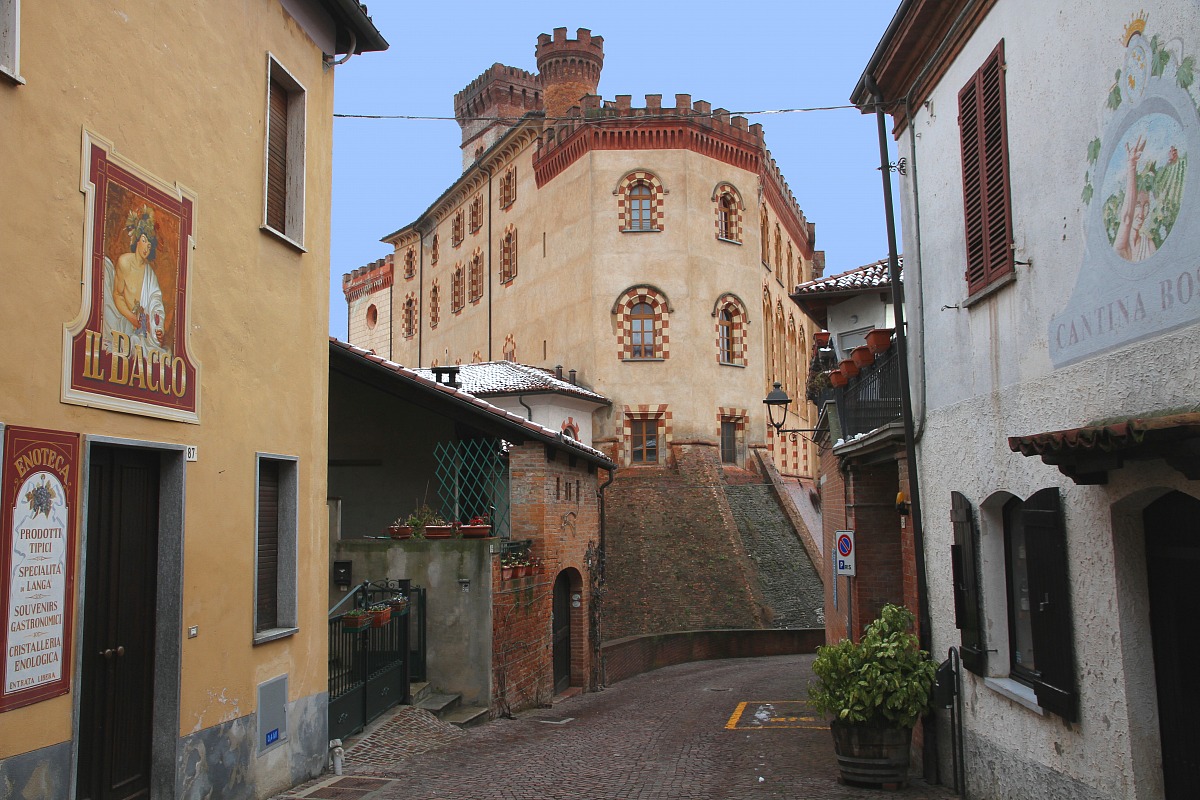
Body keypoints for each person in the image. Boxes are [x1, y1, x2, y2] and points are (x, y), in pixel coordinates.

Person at [103, 205, 168, 356]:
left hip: (143, 327)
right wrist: (132, 318)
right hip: (124, 318)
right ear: (138, 240)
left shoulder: (150, 274)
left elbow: (155, 302)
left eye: (150, 245)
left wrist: (158, 328)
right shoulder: (124, 262)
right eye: (144, 241)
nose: (146, 247)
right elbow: (118, 295)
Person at [1114, 134, 1158, 262]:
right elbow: (1127, 218)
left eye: (1146, 206)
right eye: (1137, 205)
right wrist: (1132, 166)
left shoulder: (1149, 245)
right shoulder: (1121, 248)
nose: (1141, 214)